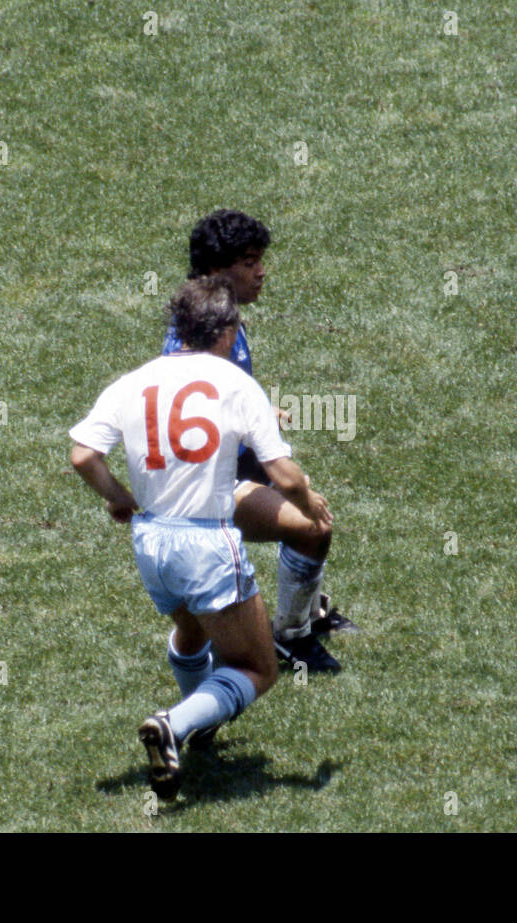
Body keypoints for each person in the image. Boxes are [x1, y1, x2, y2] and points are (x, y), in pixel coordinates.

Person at [71, 276, 331, 800]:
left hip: (150, 544)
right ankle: (177, 723)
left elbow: (82, 453)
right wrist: (309, 504)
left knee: (192, 633)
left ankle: (198, 729)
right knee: (257, 667)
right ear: (228, 330)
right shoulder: (235, 382)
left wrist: (120, 497)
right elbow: (282, 474)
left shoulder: (134, 380)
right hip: (207, 545)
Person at [162, 209, 356, 675]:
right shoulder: (197, 340)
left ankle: (307, 612)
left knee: (307, 506)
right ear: (215, 271)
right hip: (203, 488)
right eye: (249, 262)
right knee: (313, 524)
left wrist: (258, 414)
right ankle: (290, 640)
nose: (261, 271)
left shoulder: (217, 323)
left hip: (224, 467)